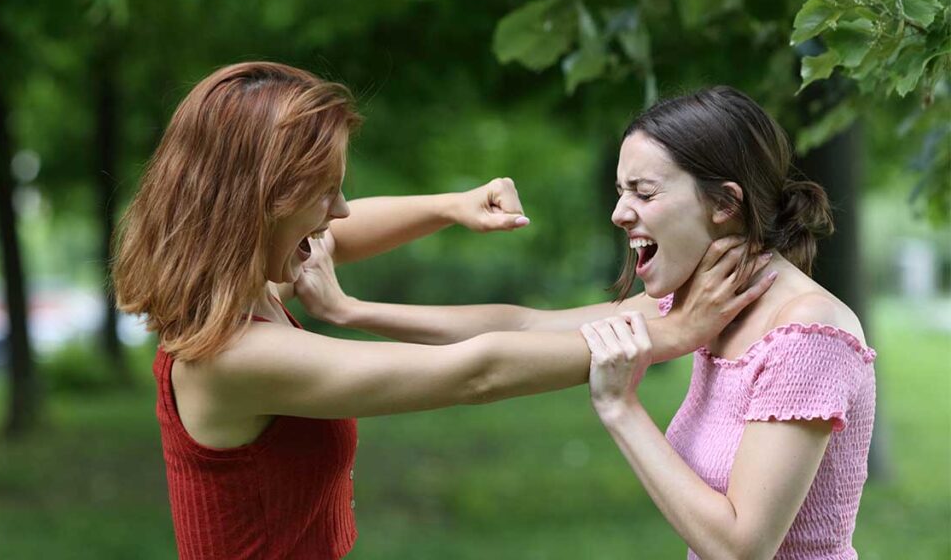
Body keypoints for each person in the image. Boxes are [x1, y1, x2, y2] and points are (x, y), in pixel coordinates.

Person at [113, 63, 775, 559]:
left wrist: (450, 206)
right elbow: (474, 371)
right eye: (323, 192)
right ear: (258, 204)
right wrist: (671, 332)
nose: (340, 210)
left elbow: (339, 232)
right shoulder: (232, 356)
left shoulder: (240, 283)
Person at [579, 87, 876, 559]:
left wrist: (621, 409)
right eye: (621, 192)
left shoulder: (809, 335)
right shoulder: (706, 305)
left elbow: (741, 549)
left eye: (644, 192)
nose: (619, 213)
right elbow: (526, 327)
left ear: (723, 204)